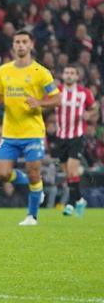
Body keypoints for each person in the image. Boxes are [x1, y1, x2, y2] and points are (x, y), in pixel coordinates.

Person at [0, 30, 61, 226]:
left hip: (33, 132)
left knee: (33, 171)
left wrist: (39, 102)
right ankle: (37, 188)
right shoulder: (3, 70)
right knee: (2, 174)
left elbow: (57, 98)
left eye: (24, 42)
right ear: (13, 46)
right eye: (17, 42)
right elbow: (0, 96)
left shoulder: (41, 72)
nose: (20, 45)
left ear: (31, 45)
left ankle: (32, 216)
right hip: (10, 132)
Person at [54, 65, 97, 217]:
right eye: (67, 72)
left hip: (77, 135)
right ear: (63, 75)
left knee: (72, 170)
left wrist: (89, 114)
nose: (69, 75)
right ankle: (80, 199)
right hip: (61, 136)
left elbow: (94, 108)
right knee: (68, 173)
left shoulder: (84, 93)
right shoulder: (56, 91)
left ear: (77, 77)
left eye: (72, 73)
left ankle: (71, 204)